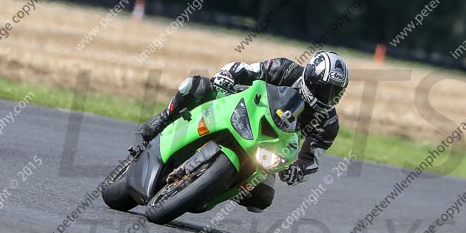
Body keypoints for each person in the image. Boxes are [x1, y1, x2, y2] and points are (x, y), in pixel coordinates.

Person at [138, 51, 349, 212]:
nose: (328, 96)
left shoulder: (328, 124)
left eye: (335, 92)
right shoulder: (285, 69)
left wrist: (298, 171)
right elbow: (245, 69)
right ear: (310, 77)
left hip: (266, 148)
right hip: (241, 110)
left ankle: (213, 186)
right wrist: (226, 77)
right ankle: (164, 118)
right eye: (324, 88)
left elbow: (311, 160)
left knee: (262, 199)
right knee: (196, 86)